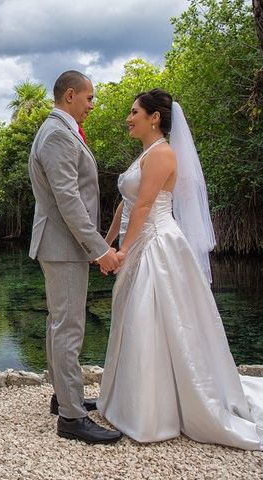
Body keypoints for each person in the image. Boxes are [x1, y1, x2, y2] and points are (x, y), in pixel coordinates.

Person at [98, 88, 263, 450]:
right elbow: (123, 207)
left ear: (155, 117)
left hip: (157, 244)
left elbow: (142, 209)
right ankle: (125, 399)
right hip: (139, 240)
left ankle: (157, 409)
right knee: (136, 316)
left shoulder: (163, 155)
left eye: (134, 112)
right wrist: (105, 244)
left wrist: (123, 251)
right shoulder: (142, 156)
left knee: (154, 318)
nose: (128, 118)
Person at [28, 70, 122, 444]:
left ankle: (62, 398)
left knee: (58, 324)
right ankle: (71, 418)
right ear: (70, 95)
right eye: (89, 98)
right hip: (64, 247)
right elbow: (69, 201)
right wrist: (100, 250)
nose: (92, 105)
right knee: (68, 329)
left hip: (60, 245)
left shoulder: (56, 131)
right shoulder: (56, 135)